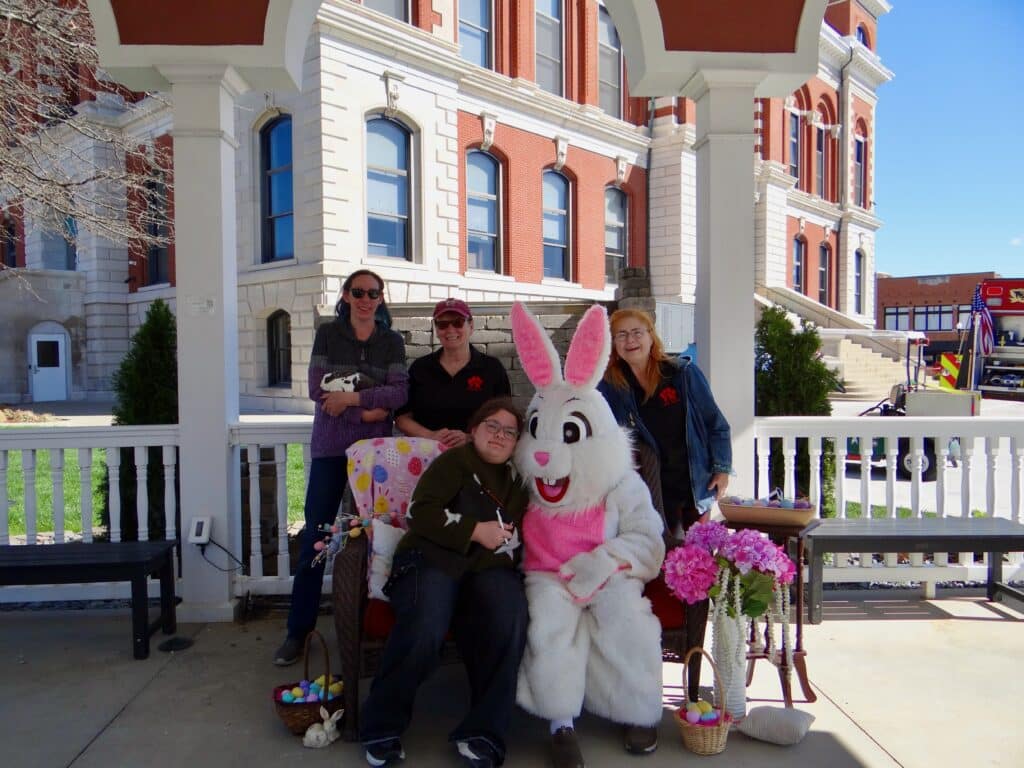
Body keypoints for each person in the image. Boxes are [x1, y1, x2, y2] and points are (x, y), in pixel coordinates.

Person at [359, 397, 529, 768]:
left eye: (509, 432)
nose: (500, 436)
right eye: (492, 426)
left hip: (484, 570)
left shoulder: (518, 482)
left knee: (510, 616)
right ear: (474, 430)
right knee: (426, 623)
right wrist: (475, 530)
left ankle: (485, 731)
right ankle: (381, 724)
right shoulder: (456, 462)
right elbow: (420, 512)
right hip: (431, 559)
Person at [273, 269, 408, 666]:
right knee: (315, 538)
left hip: (375, 456)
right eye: (358, 292)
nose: (365, 299)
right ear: (346, 295)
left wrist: (349, 398)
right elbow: (319, 389)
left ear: (381, 298)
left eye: (372, 293)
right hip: (331, 451)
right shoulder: (328, 335)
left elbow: (399, 393)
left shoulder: (392, 341)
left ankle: (369, 625)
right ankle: (298, 631)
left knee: (377, 537)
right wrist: (366, 411)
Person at [597, 308, 732, 704]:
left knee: (695, 578)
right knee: (652, 572)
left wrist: (722, 468)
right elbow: (603, 436)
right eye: (621, 335)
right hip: (647, 495)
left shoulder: (683, 374)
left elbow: (716, 423)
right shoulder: (612, 385)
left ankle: (693, 664)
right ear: (614, 344)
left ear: (651, 335)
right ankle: (643, 658)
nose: (630, 341)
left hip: (692, 487)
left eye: (636, 332)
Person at [395, 298, 511, 448]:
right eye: (443, 324)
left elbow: (506, 418)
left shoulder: (492, 368)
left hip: (477, 453)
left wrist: (471, 438)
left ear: (471, 326)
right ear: (436, 329)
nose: (450, 330)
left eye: (458, 323)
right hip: (427, 453)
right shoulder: (420, 368)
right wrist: (431, 436)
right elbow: (402, 417)